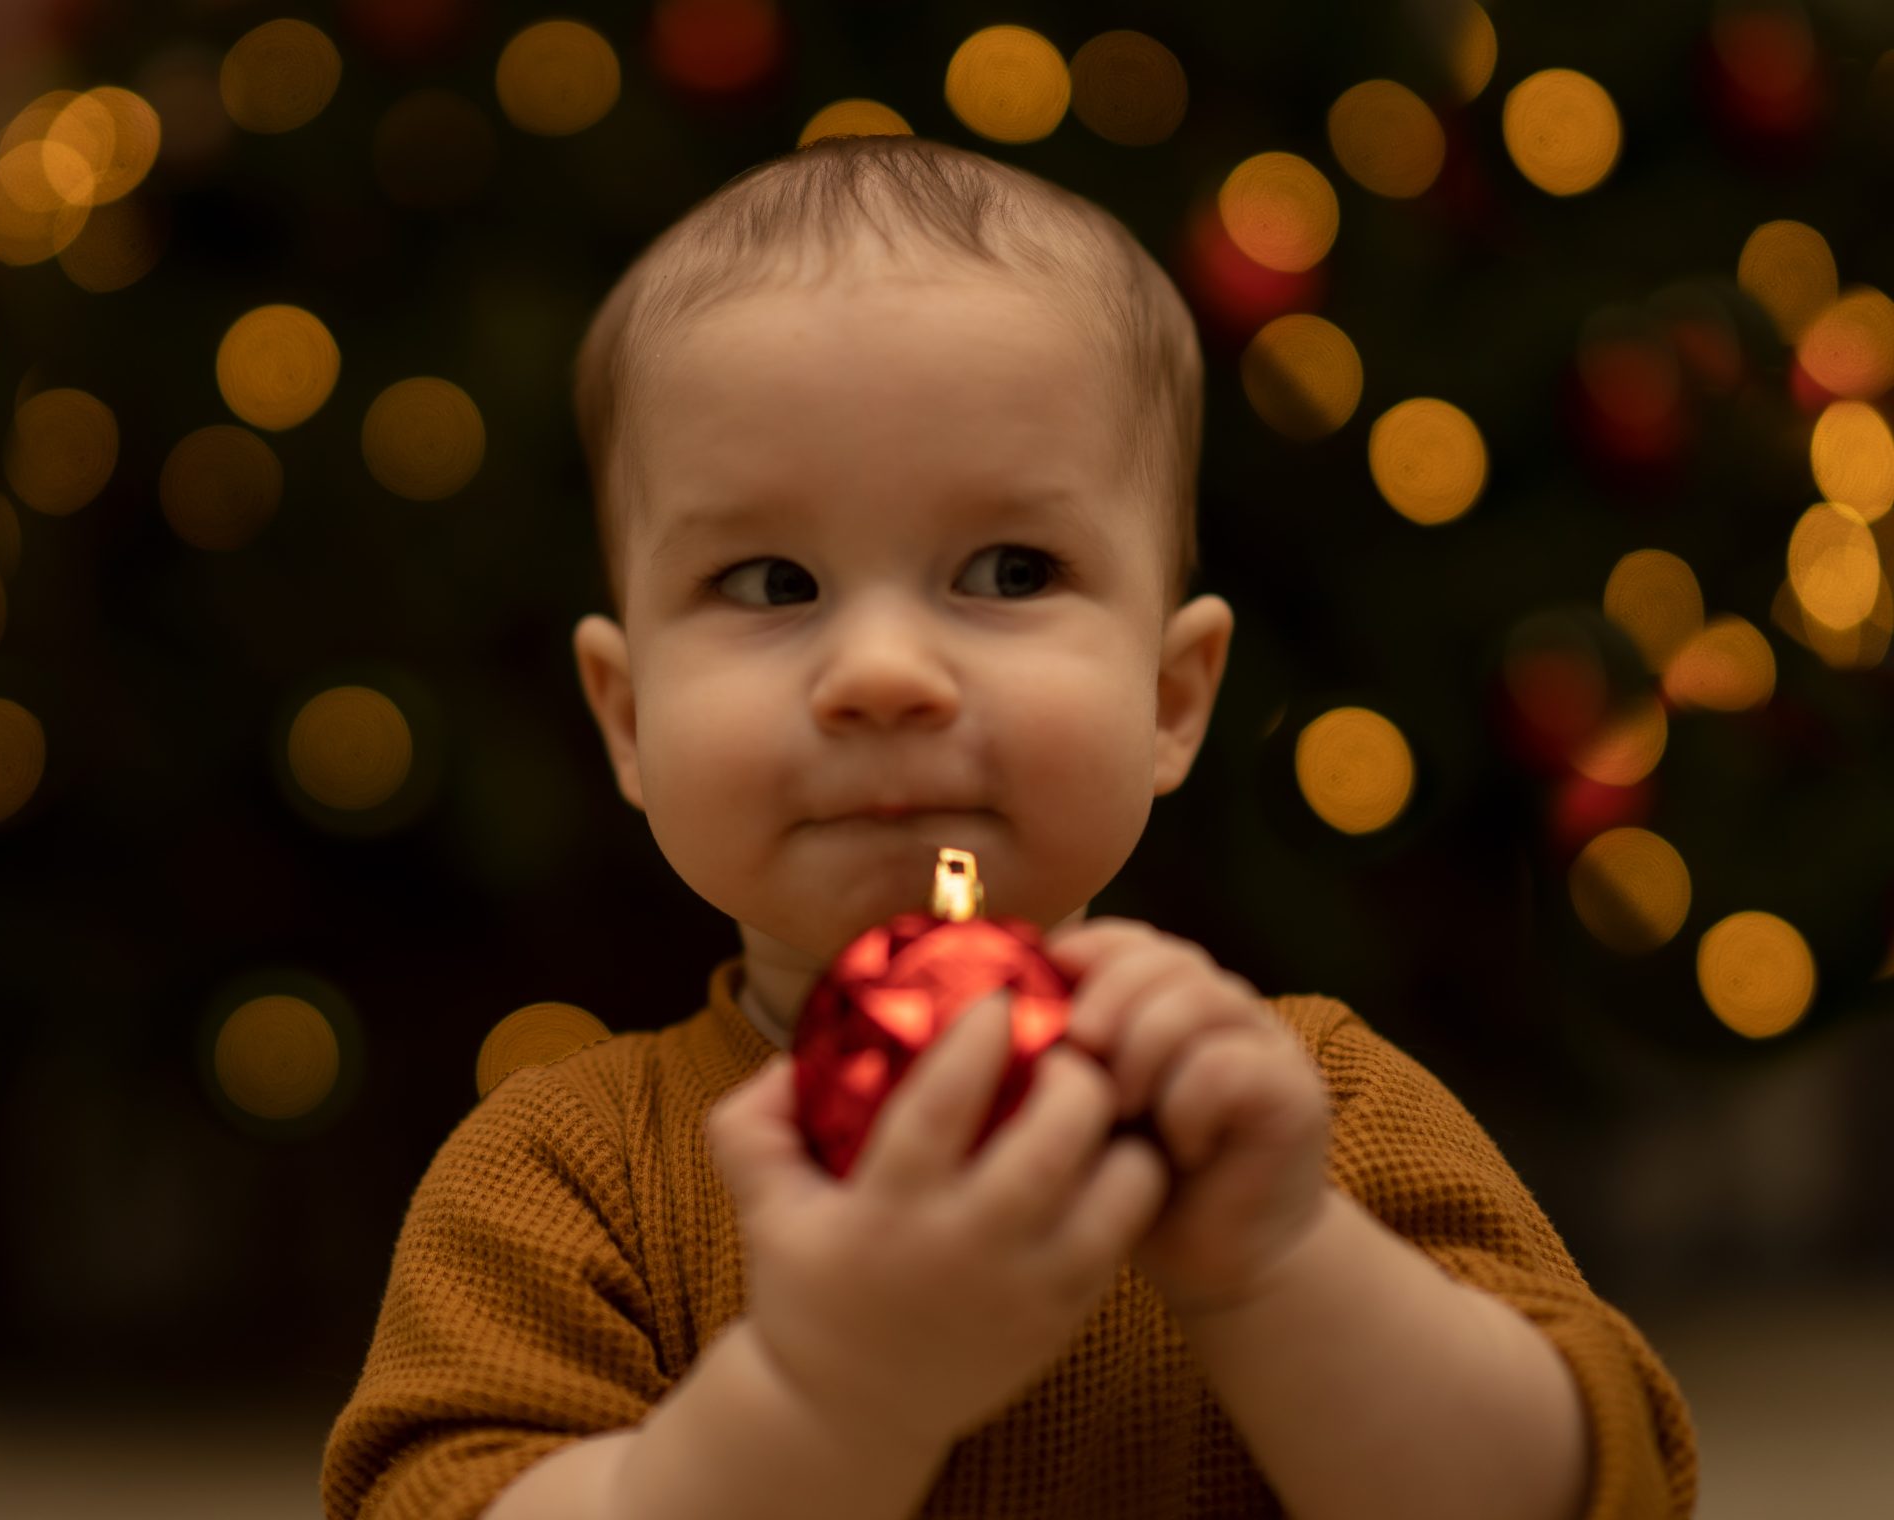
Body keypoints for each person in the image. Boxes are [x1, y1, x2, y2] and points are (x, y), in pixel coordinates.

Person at [319, 133, 1698, 1520]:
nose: (883, 675)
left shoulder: (1307, 1115)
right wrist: (826, 1397)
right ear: (628, 720)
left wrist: (1279, 1263)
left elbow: (1588, 1489)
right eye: (769, 579)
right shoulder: (568, 1170)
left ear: (1170, 697)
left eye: (1009, 569)